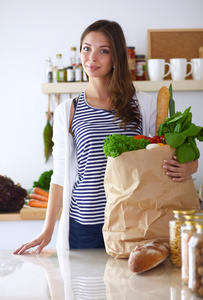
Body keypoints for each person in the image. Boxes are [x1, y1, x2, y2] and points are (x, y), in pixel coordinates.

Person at [14, 20, 198, 254]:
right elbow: (59, 176)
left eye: (103, 51)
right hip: (84, 224)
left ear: (116, 58)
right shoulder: (67, 110)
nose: (92, 57)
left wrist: (191, 166)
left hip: (132, 219)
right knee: (86, 290)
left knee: (130, 289)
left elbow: (165, 152)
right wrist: (47, 230)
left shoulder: (143, 104)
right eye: (86, 48)